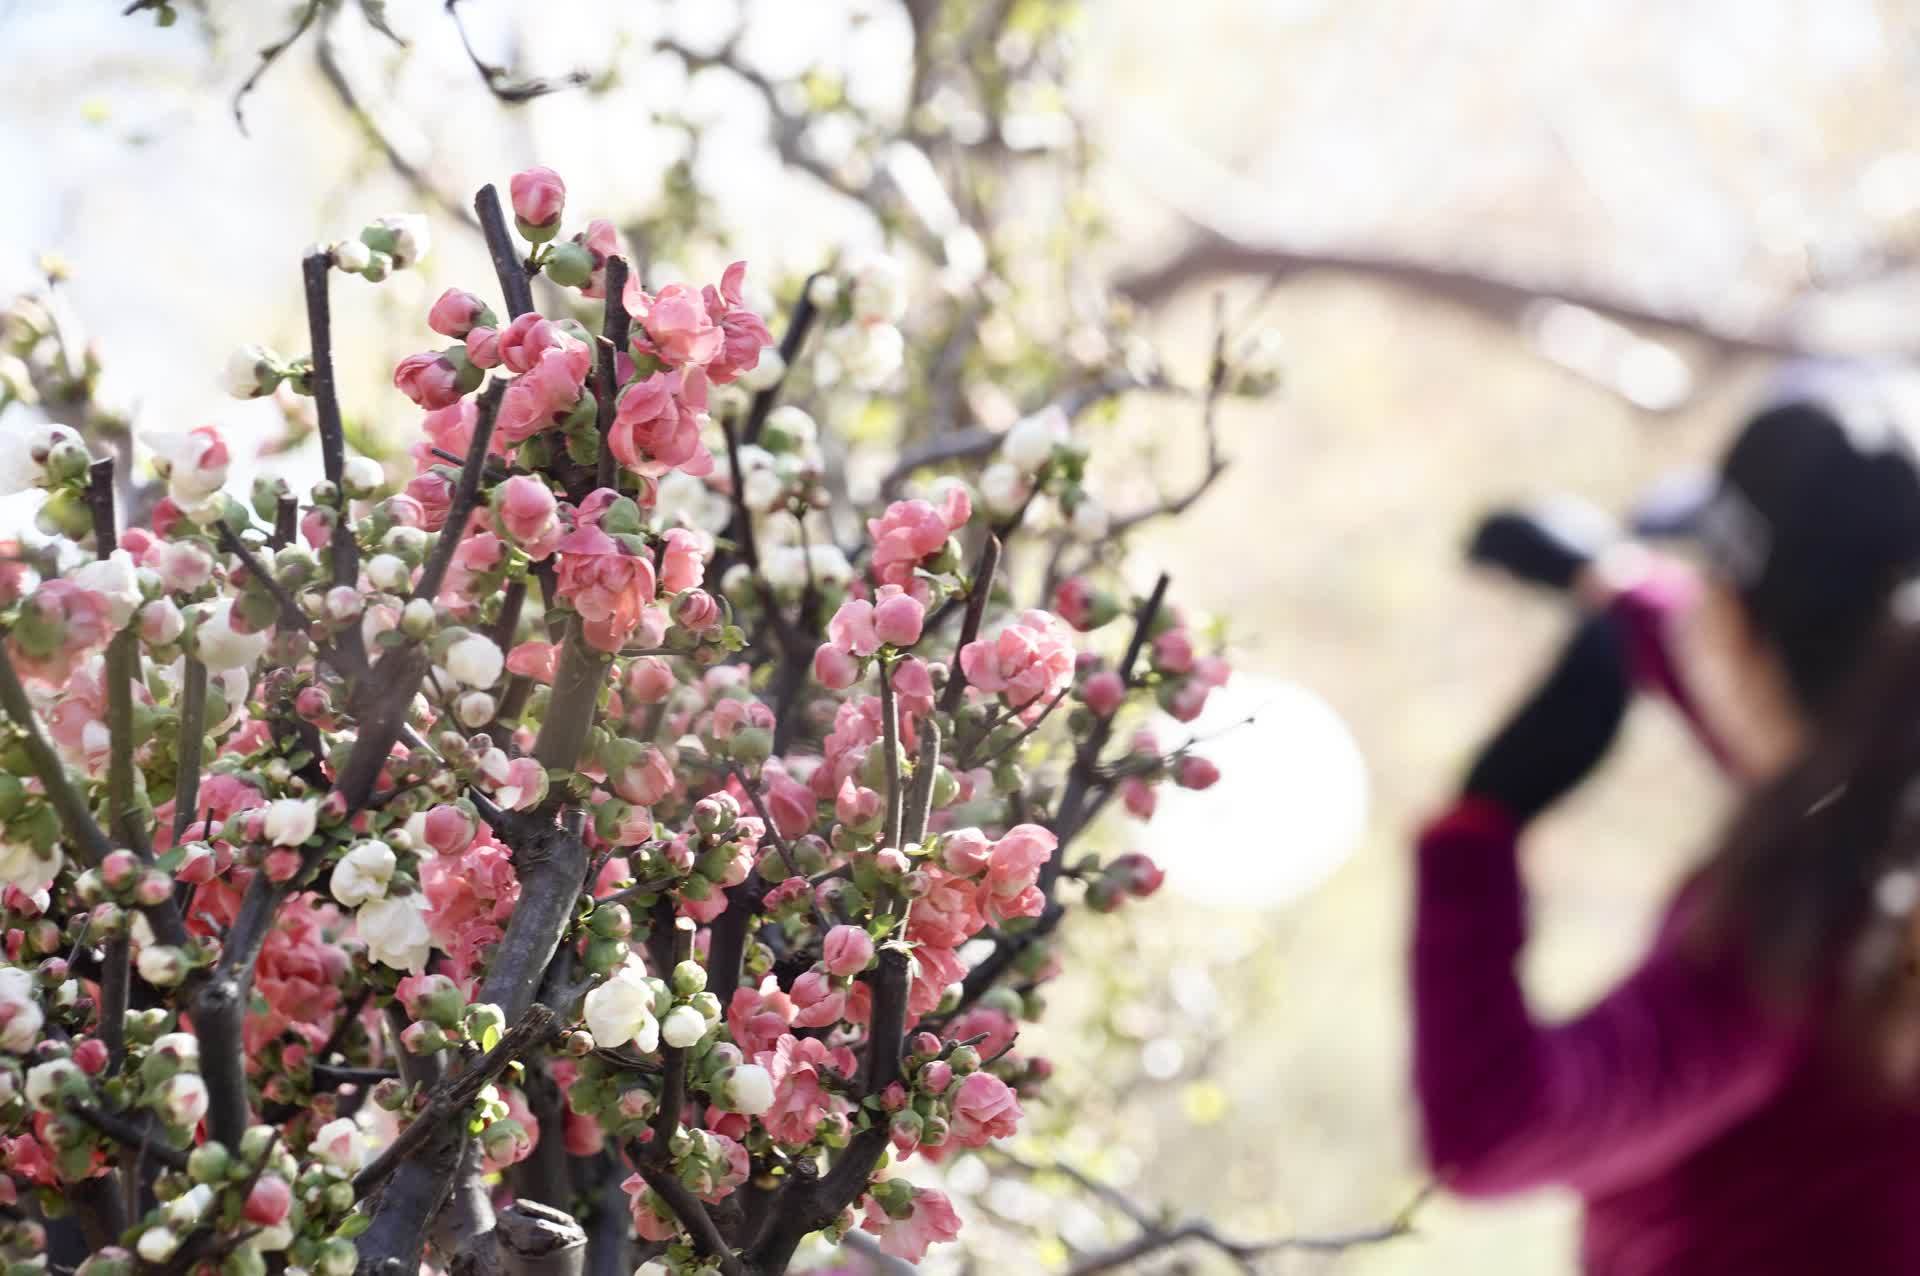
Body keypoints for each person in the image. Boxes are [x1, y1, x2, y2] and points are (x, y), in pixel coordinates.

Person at [1413, 376, 1920, 1273]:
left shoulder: (1790, 951)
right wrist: (1615, 589)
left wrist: (1480, 831)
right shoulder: (1882, 819)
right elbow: (1793, 709)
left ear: (1732, 623)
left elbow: (1492, 1129)